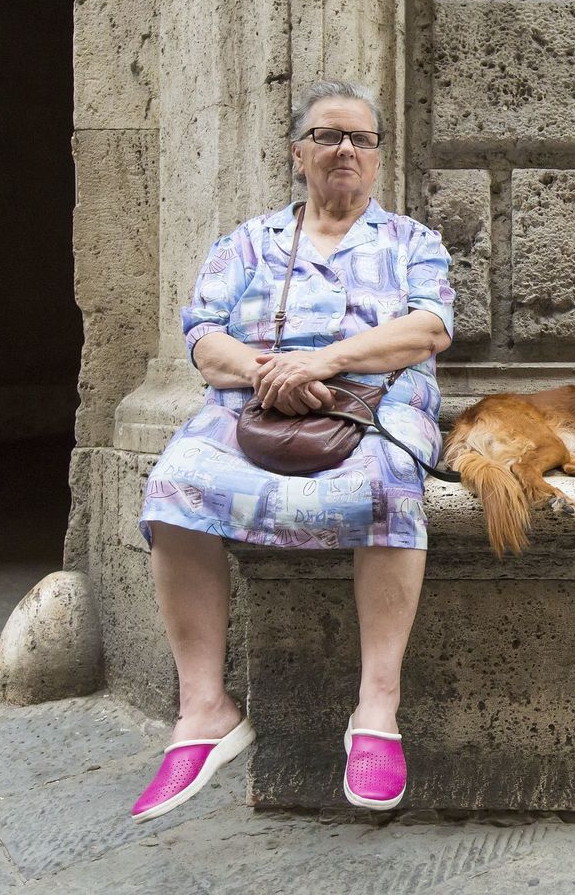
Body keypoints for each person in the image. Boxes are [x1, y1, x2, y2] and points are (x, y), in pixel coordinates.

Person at [129, 80, 454, 821]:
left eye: (361, 140)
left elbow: (429, 330)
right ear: (298, 153)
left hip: (377, 401)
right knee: (175, 483)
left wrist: (324, 363)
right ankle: (205, 710)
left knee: (391, 486)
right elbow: (204, 338)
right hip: (253, 401)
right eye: (328, 136)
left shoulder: (412, 242)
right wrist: (269, 373)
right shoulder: (245, 242)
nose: (346, 150)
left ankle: (377, 708)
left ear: (375, 159)